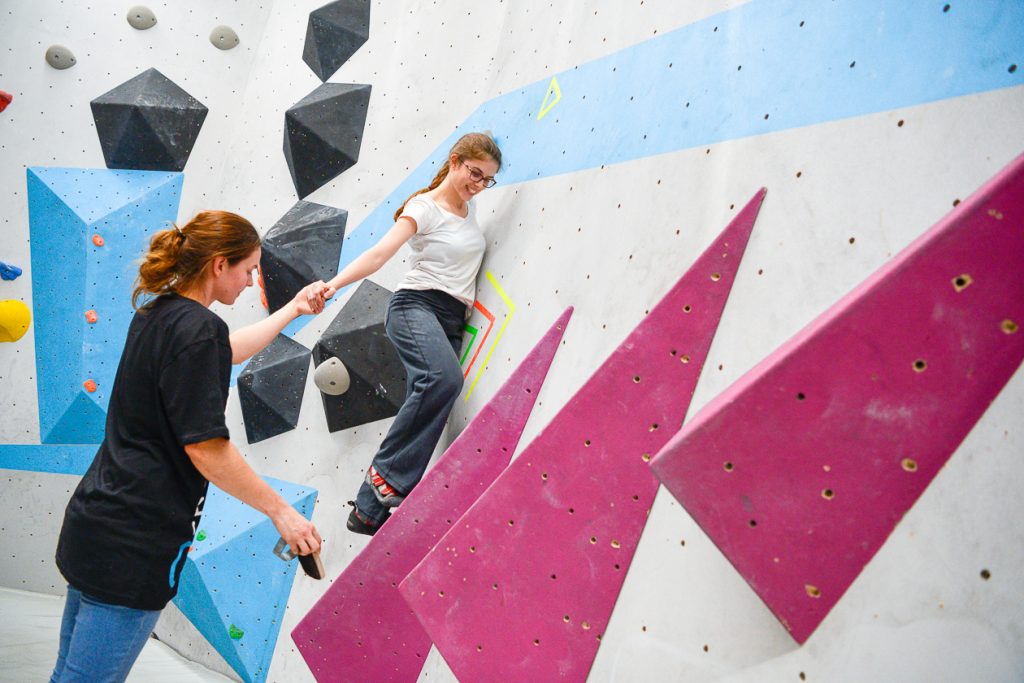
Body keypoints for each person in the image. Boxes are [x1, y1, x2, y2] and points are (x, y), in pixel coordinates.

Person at [50, 210, 332, 682]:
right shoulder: (199, 329)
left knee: (69, 675)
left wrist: (293, 309)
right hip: (135, 542)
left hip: (96, 523)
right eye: (248, 269)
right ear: (220, 264)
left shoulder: (157, 314)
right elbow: (205, 448)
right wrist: (283, 512)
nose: (250, 281)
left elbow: (225, 349)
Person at [324, 132, 502, 536]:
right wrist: (333, 287)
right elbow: (378, 254)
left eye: (486, 180)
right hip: (415, 306)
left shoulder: (468, 211)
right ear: (455, 161)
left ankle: (368, 511)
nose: (477, 185)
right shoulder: (425, 207)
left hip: (451, 317)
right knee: (442, 379)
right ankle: (389, 479)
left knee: (436, 392)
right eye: (474, 173)